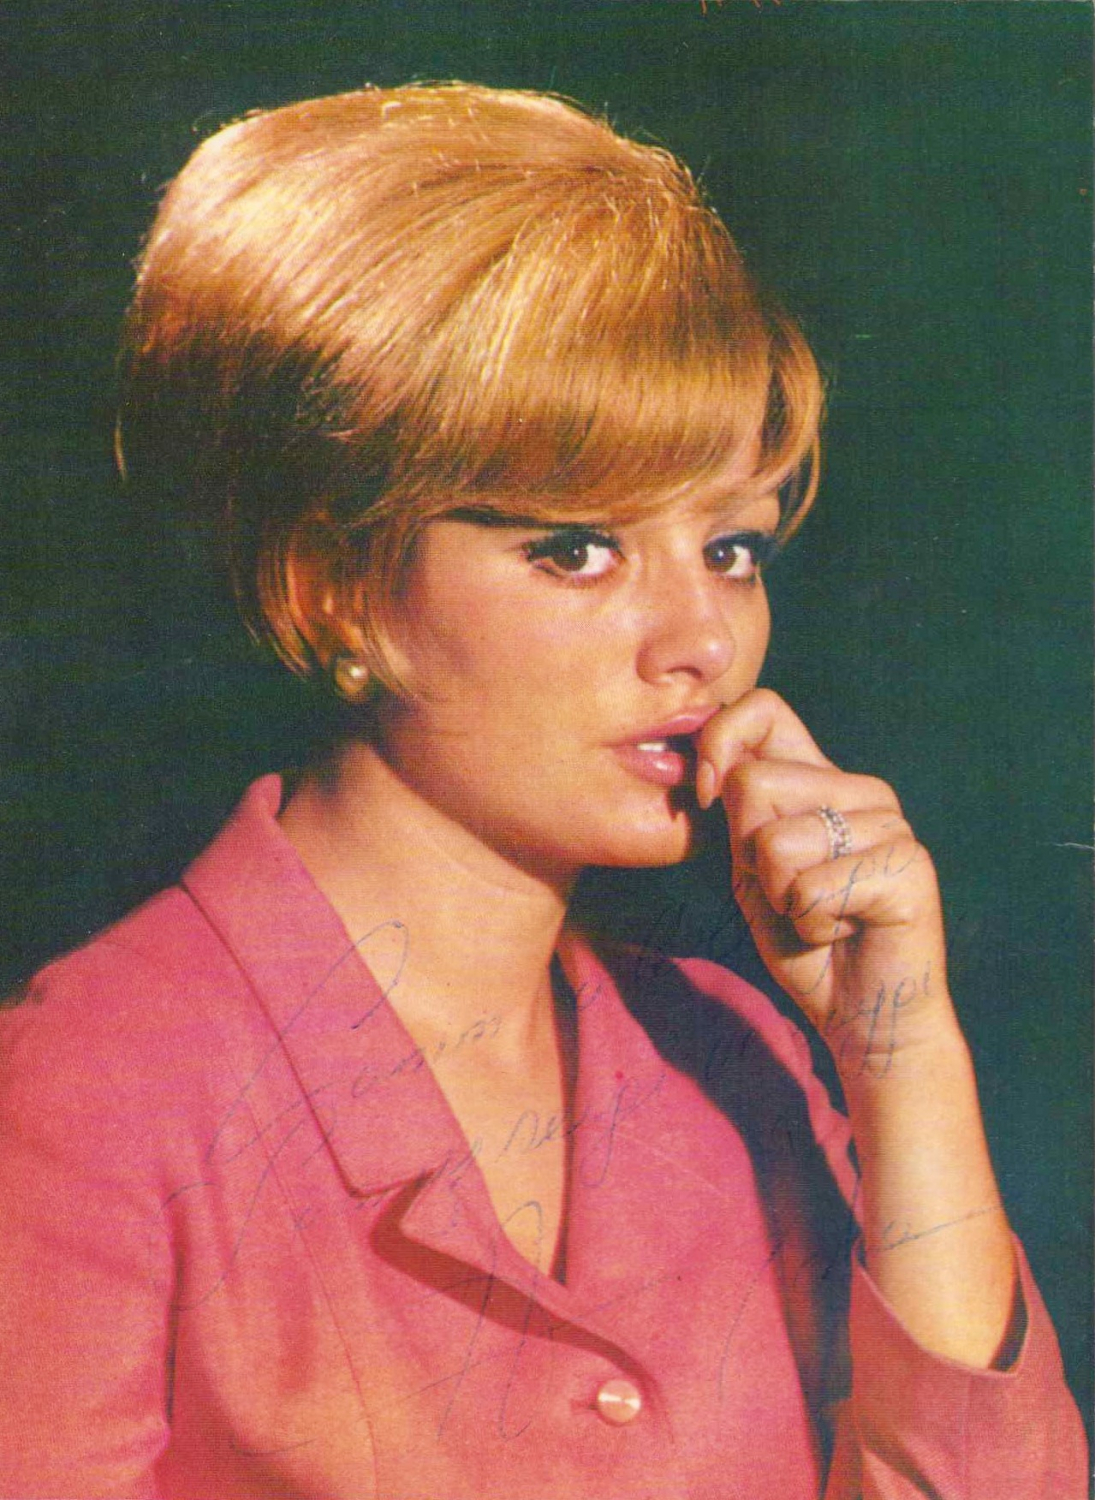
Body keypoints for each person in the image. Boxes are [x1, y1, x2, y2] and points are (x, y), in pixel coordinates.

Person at [0, 82, 1084, 1500]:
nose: (703, 642)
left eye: (734, 549)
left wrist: (903, 1056)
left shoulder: (728, 1055)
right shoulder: (89, 1097)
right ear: (332, 586)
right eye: (578, 548)